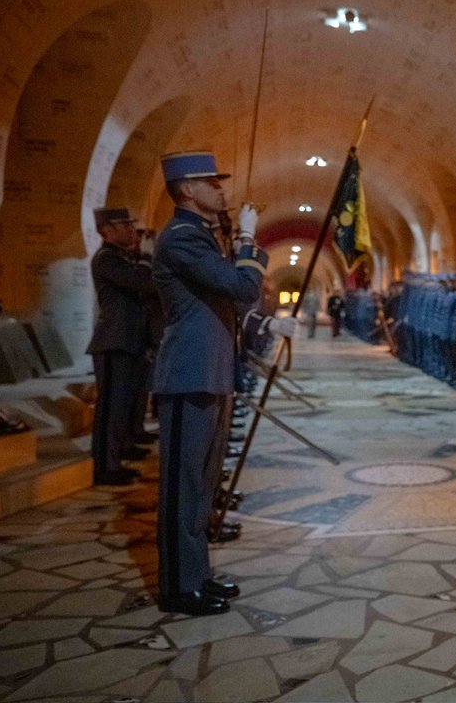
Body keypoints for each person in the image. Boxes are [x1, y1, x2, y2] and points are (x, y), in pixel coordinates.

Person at [152, 150, 267, 617]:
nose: (221, 189)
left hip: (211, 370)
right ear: (186, 191)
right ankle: (179, 586)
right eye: (211, 182)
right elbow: (241, 287)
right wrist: (247, 238)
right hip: (188, 373)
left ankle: (197, 574)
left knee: (201, 484)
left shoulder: (201, 238)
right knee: (182, 486)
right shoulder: (181, 239)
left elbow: (238, 296)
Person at [87, 207, 156, 485]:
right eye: (124, 225)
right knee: (111, 408)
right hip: (114, 342)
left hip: (129, 341)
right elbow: (144, 281)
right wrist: (149, 256)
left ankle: (119, 453)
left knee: (124, 404)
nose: (131, 230)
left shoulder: (123, 258)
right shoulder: (107, 259)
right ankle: (105, 466)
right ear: (106, 230)